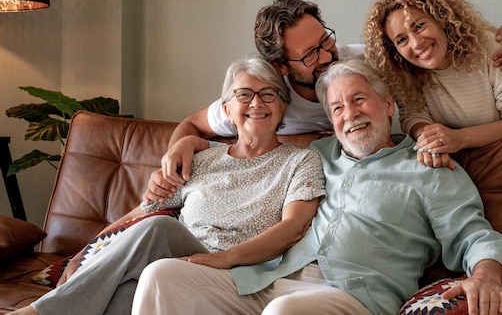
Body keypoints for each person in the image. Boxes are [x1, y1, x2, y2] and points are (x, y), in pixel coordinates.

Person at [132, 59, 502, 315]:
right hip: (268, 279)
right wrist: (186, 142)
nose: (350, 115)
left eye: (359, 99)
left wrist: (486, 275)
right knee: (161, 276)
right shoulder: (316, 154)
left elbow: (475, 235)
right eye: (337, 108)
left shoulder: (429, 166)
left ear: (388, 104)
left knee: (283, 313)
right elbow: (242, 137)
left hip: (354, 295)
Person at [8, 56, 326, 315]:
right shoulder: (201, 158)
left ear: (283, 107)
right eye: (244, 94)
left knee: (159, 228)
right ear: (228, 109)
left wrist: (224, 259)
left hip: (239, 272)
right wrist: (86, 253)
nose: (256, 103)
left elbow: (293, 229)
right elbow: (140, 213)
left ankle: (38, 314)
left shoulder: (300, 161)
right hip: (180, 266)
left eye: (268, 93)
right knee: (121, 297)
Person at [147, 0, 502, 201]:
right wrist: (178, 145)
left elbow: (433, 42)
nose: (328, 56)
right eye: (310, 55)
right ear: (281, 67)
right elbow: (193, 123)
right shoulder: (264, 95)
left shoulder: (364, 60)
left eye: (325, 40)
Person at [364, 0, 502, 170]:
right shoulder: (405, 73)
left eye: (419, 26)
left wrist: (459, 138)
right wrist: (431, 139)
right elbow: (413, 118)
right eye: (401, 40)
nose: (416, 43)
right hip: (463, 170)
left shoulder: (491, 50)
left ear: (441, 18)